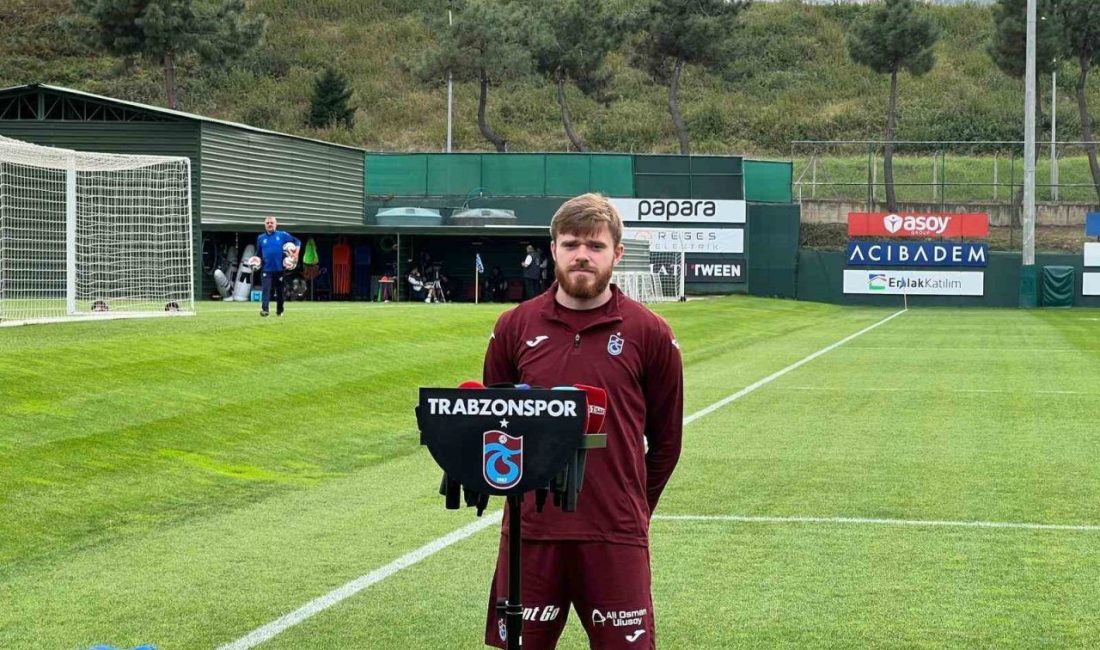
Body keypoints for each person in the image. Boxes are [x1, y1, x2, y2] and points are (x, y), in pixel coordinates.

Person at [482, 193, 684, 650]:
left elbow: (667, 443)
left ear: (617, 253)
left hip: (615, 535)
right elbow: (494, 428)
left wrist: (629, 507)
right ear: (553, 249)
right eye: (571, 244)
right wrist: (525, 505)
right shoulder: (514, 326)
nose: (582, 256)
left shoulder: (650, 332)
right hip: (531, 537)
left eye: (595, 246)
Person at [255, 216, 300, 317]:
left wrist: (296, 254)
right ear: (265, 225)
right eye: (268, 223)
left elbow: (297, 241)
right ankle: (265, 310)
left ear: (276, 224)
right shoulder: (260, 238)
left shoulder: (283, 235)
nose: (270, 224)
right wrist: (255, 260)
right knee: (266, 289)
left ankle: (280, 310)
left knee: (280, 292)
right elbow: (258, 254)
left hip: (280, 269)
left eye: (272, 223)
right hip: (266, 269)